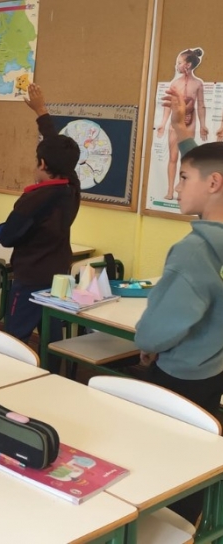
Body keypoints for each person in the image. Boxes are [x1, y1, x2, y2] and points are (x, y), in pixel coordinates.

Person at [136, 86, 223, 525]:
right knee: (194, 455)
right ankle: (193, 522)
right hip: (212, 373)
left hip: (177, 376)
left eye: (183, 178)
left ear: (213, 184)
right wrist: (185, 137)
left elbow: (157, 330)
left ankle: (167, 524)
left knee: (162, 465)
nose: (177, 184)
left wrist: (146, 344)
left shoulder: (193, 252)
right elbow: (210, 171)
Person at [0, 84, 81, 355]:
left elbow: (7, 237)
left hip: (30, 278)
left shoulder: (33, 199)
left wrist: (42, 111)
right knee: (51, 340)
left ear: (42, 164)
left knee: (14, 339)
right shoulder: (71, 188)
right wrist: (41, 112)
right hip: (58, 275)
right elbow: (59, 153)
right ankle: (52, 374)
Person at [156, 48, 209, 201]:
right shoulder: (175, 83)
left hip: (190, 123)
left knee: (186, 158)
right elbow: (168, 105)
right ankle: (170, 191)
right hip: (174, 124)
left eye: (179, 63)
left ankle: (182, 190)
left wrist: (203, 125)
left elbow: (201, 105)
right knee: (173, 157)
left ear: (188, 65)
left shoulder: (198, 84)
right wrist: (163, 123)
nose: (176, 66)